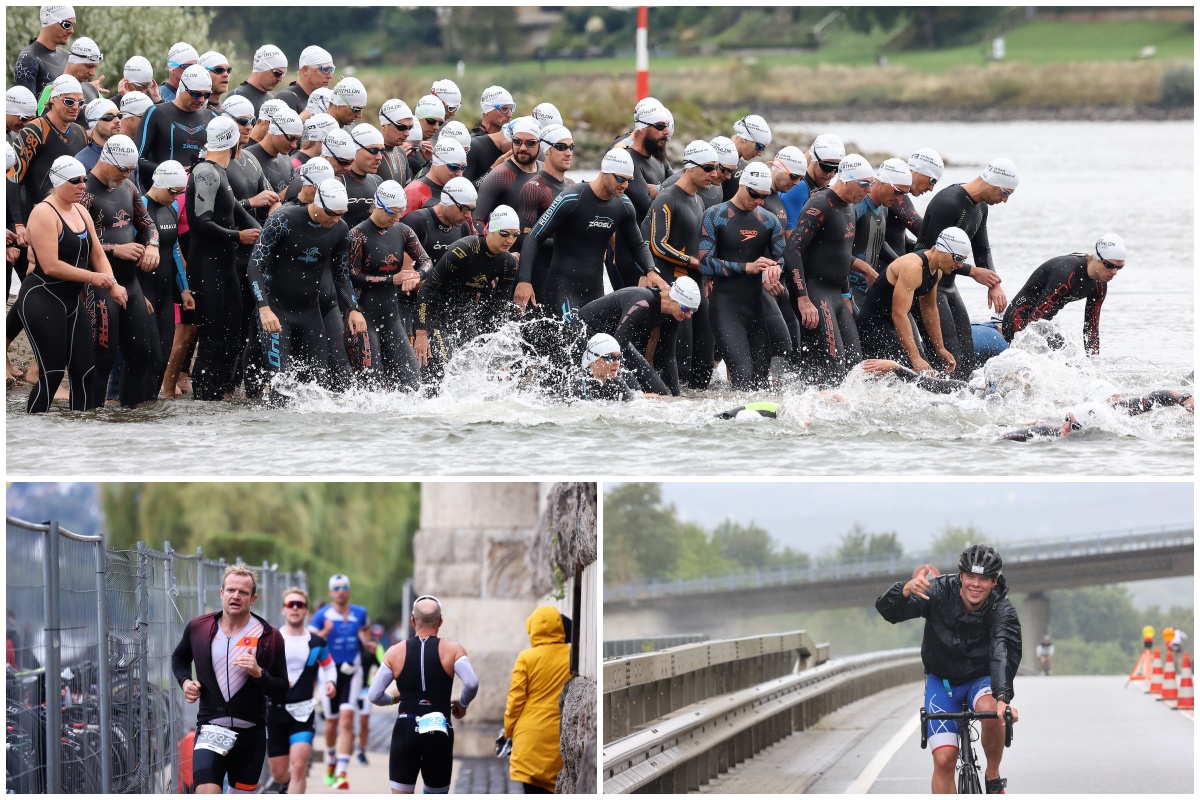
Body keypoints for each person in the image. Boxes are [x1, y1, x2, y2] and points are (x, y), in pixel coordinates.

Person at [876, 545, 1021, 795]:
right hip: (942, 682)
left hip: (980, 678)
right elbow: (889, 612)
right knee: (944, 761)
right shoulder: (939, 591)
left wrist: (1002, 698)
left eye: (984, 579)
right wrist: (903, 591)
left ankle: (993, 776)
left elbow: (1003, 651)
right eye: (970, 577)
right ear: (961, 576)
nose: (976, 584)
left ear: (994, 581)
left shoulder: (1002, 608)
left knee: (992, 712)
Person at [15, 155, 124, 412]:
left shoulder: (80, 210)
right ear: (59, 181)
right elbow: (51, 265)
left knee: (84, 373)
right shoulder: (43, 213)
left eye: (84, 180)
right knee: (52, 374)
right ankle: (33, 432)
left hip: (71, 302)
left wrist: (112, 283)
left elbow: (97, 254)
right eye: (75, 181)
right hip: (42, 298)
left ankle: (80, 443)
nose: (83, 186)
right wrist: (94, 278)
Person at [170, 564, 289, 794]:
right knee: (206, 790)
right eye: (231, 590)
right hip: (211, 727)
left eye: (243, 592)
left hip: (251, 733)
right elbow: (179, 657)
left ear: (253, 598)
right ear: (222, 593)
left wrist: (259, 674)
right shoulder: (199, 627)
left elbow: (282, 689)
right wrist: (185, 681)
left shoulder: (269, 636)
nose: (236, 596)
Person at [247, 179, 365, 398]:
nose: (336, 219)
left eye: (341, 214)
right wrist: (264, 308)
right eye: (332, 213)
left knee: (317, 389)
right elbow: (254, 265)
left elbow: (341, 274)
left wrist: (353, 308)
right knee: (279, 388)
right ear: (318, 204)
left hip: (310, 313)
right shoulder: (283, 219)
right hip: (276, 311)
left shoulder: (340, 228)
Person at [515, 148, 664, 318]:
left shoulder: (623, 205)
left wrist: (651, 270)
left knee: (603, 343)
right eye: (620, 179)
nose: (625, 185)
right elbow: (534, 237)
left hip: (595, 292)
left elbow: (637, 245)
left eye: (629, 180)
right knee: (577, 340)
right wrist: (524, 281)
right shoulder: (572, 198)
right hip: (562, 291)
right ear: (605, 172)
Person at [914, 157, 1018, 375]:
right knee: (950, 359)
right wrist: (971, 272)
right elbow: (930, 256)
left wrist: (994, 283)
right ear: (992, 183)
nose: (1005, 200)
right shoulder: (948, 203)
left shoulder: (981, 207)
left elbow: (982, 249)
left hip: (949, 288)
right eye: (1005, 193)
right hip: (928, 289)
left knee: (966, 358)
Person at [79, 134, 162, 407]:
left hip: (130, 283)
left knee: (142, 354)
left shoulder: (128, 187)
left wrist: (151, 246)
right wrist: (116, 249)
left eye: (131, 170)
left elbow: (147, 223)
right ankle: (90, 420)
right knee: (101, 357)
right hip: (98, 283)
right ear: (106, 159)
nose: (127, 174)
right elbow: (76, 240)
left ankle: (130, 421)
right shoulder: (85, 191)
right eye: (123, 169)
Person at [367, 595, 479, 795]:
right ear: (441, 621)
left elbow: (375, 695)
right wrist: (462, 703)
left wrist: (392, 697)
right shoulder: (453, 650)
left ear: (412, 620)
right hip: (439, 727)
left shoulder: (395, 652)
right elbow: (471, 683)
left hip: (406, 727)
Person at [186, 116, 262, 401]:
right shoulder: (205, 171)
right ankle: (204, 399)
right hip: (206, 267)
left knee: (232, 336)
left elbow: (245, 219)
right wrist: (237, 237)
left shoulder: (221, 171)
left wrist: (269, 238)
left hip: (225, 266)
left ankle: (219, 396)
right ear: (231, 142)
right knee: (212, 338)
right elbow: (201, 223)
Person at [784, 154, 875, 385]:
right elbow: (792, 250)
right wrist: (803, 299)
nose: (869, 190)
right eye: (864, 184)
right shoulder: (820, 203)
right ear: (845, 179)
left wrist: (846, 295)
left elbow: (841, 255)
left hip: (836, 295)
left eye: (872, 184)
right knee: (834, 364)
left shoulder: (850, 208)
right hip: (816, 293)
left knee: (855, 363)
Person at [700, 162, 786, 391]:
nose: (759, 201)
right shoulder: (715, 215)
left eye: (764, 197)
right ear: (742, 185)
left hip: (756, 308)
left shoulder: (769, 221)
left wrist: (775, 270)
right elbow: (705, 263)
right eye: (755, 194)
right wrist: (747, 267)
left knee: (760, 381)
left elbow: (782, 259)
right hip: (725, 306)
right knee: (743, 376)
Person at [413, 206, 521, 385]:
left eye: (515, 235)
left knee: (475, 371)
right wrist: (421, 332)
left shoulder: (508, 262)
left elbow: (499, 310)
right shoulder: (464, 249)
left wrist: (500, 355)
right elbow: (427, 289)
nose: (510, 240)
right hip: (436, 314)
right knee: (446, 370)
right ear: (490, 230)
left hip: (463, 315)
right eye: (504, 233)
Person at [643, 139, 718, 388]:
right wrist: (693, 263)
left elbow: (699, 244)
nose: (714, 174)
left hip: (697, 286)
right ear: (690, 167)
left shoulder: (699, 201)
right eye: (708, 168)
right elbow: (657, 244)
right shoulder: (667, 198)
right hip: (674, 287)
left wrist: (706, 277)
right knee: (680, 359)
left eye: (716, 168)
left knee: (705, 360)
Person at [348, 179, 429, 391]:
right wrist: (391, 280)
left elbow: (427, 262)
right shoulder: (358, 235)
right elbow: (352, 276)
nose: (397, 217)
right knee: (371, 389)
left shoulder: (403, 231)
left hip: (392, 321)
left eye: (400, 212)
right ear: (377, 205)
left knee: (413, 386)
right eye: (392, 212)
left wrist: (416, 276)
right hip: (365, 319)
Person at [856, 227, 970, 374]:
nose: (960, 265)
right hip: (874, 326)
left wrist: (940, 347)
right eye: (958, 258)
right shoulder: (912, 267)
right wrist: (915, 357)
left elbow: (929, 308)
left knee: (923, 374)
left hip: (893, 325)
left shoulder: (937, 271)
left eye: (963, 260)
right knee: (913, 374)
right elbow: (899, 314)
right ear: (942, 249)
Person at [1001, 234, 1124, 355]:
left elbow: (1091, 329)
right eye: (1109, 265)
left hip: (1041, 325)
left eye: (1119, 268)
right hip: (1018, 319)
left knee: (1073, 357)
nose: (1114, 272)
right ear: (1096, 258)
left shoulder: (1100, 285)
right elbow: (1035, 322)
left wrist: (1093, 364)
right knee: (1066, 356)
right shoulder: (1067, 273)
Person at [266, 587, 336, 796]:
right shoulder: (271, 639)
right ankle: (286, 784)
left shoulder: (317, 642)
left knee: (298, 767)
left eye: (300, 605)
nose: (295, 608)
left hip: (304, 711)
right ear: (283, 610)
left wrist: (330, 681)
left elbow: (329, 665)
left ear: (306, 611)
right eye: (290, 604)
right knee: (279, 773)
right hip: (274, 711)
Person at [577, 277, 699, 396]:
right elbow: (619, 349)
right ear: (673, 298)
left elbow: (668, 356)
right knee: (633, 394)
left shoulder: (674, 314)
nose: (688, 315)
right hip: (585, 331)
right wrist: (634, 393)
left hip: (614, 341)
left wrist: (677, 396)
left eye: (693, 311)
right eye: (686, 309)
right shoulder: (642, 302)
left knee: (660, 391)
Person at [307, 574, 371, 791]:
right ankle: (332, 760)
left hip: (353, 671)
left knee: (347, 719)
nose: (341, 591)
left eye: (344, 587)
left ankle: (342, 773)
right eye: (337, 588)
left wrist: (368, 643)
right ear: (330, 592)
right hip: (329, 673)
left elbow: (364, 630)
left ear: (349, 590)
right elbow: (311, 642)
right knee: (332, 723)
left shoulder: (360, 613)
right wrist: (325, 631)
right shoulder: (321, 615)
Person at [502, 607, 572, 794]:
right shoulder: (572, 655)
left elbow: (515, 700)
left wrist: (509, 730)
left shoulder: (526, 658)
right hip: (559, 735)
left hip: (529, 738)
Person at [141, 161, 192, 396]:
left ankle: (150, 406)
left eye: (181, 193)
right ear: (159, 183)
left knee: (162, 357)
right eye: (173, 192)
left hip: (164, 293)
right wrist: (136, 292)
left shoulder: (171, 208)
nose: (176, 197)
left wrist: (184, 289)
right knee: (144, 355)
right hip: (143, 290)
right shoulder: (140, 207)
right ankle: (119, 402)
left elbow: (172, 250)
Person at [12, 74, 88, 221]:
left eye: (80, 102)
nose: (75, 107)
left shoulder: (80, 133)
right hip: (39, 218)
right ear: (53, 99)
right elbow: (11, 177)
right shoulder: (35, 130)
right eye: (69, 101)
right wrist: (16, 223)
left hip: (71, 220)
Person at [513, 124, 575, 303]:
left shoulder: (572, 185)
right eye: (562, 147)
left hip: (566, 275)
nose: (569, 152)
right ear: (547, 150)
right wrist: (524, 280)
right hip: (540, 275)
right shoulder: (534, 188)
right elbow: (524, 237)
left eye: (571, 147)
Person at [846, 157, 913, 312]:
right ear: (881, 182)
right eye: (897, 192)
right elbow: (835, 248)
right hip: (848, 290)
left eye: (904, 194)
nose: (899, 199)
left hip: (867, 291)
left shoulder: (884, 207)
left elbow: (878, 243)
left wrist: (902, 265)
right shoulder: (858, 207)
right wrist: (866, 270)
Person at [136, 64, 217, 189]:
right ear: (182, 88)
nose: (201, 100)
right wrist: (174, 173)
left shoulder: (213, 117)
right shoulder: (156, 113)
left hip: (198, 197)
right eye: (196, 94)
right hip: (164, 198)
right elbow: (137, 160)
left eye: (206, 95)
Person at [473, 116, 541, 229]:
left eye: (530, 143)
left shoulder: (544, 170)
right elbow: (477, 221)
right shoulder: (500, 175)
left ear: (540, 143)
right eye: (517, 142)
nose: (523, 147)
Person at [779, 133, 843, 228]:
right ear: (813, 159)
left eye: (837, 169)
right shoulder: (798, 187)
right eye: (826, 167)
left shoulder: (817, 184)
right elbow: (789, 235)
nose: (831, 174)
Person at [13, 5, 75, 98]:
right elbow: (25, 108)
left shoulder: (67, 57)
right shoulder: (28, 58)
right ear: (49, 21)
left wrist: (88, 89)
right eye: (67, 25)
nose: (71, 31)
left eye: (73, 25)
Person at [354, 624, 387, 766]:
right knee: (347, 722)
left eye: (365, 629)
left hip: (365, 690)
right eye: (360, 629)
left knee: (364, 723)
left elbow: (385, 664)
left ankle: (361, 751)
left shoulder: (375, 646)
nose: (363, 632)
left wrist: (377, 670)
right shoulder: (351, 645)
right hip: (348, 690)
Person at [723, 114, 772, 202]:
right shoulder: (719, 163)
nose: (760, 154)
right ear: (744, 139)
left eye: (763, 149)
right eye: (759, 147)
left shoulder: (743, 166)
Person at [277, 46, 335, 115]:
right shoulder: (286, 99)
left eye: (332, 70)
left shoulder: (325, 100)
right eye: (325, 70)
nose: (330, 76)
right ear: (305, 70)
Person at [231, 44, 288, 114]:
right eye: (278, 73)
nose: (280, 79)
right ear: (262, 67)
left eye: (283, 75)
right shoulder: (237, 96)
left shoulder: (275, 98)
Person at [377, 99, 415, 186]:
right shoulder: (372, 152)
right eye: (401, 127)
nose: (407, 133)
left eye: (410, 127)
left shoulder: (401, 153)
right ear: (384, 126)